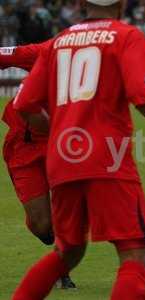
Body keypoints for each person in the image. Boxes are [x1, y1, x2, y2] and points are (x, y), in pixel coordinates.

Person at [12, 0, 145, 299]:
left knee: (67, 252)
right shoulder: (127, 36)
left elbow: (24, 105)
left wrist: (58, 132)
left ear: (83, 4)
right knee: (134, 255)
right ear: (121, 5)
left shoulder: (59, 42)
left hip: (62, 160)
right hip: (108, 160)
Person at [0, 42, 76, 289]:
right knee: (41, 225)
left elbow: (135, 76)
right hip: (25, 146)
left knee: (67, 207)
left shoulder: (102, 59)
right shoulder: (45, 52)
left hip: (65, 145)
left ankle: (61, 267)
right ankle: (51, 239)